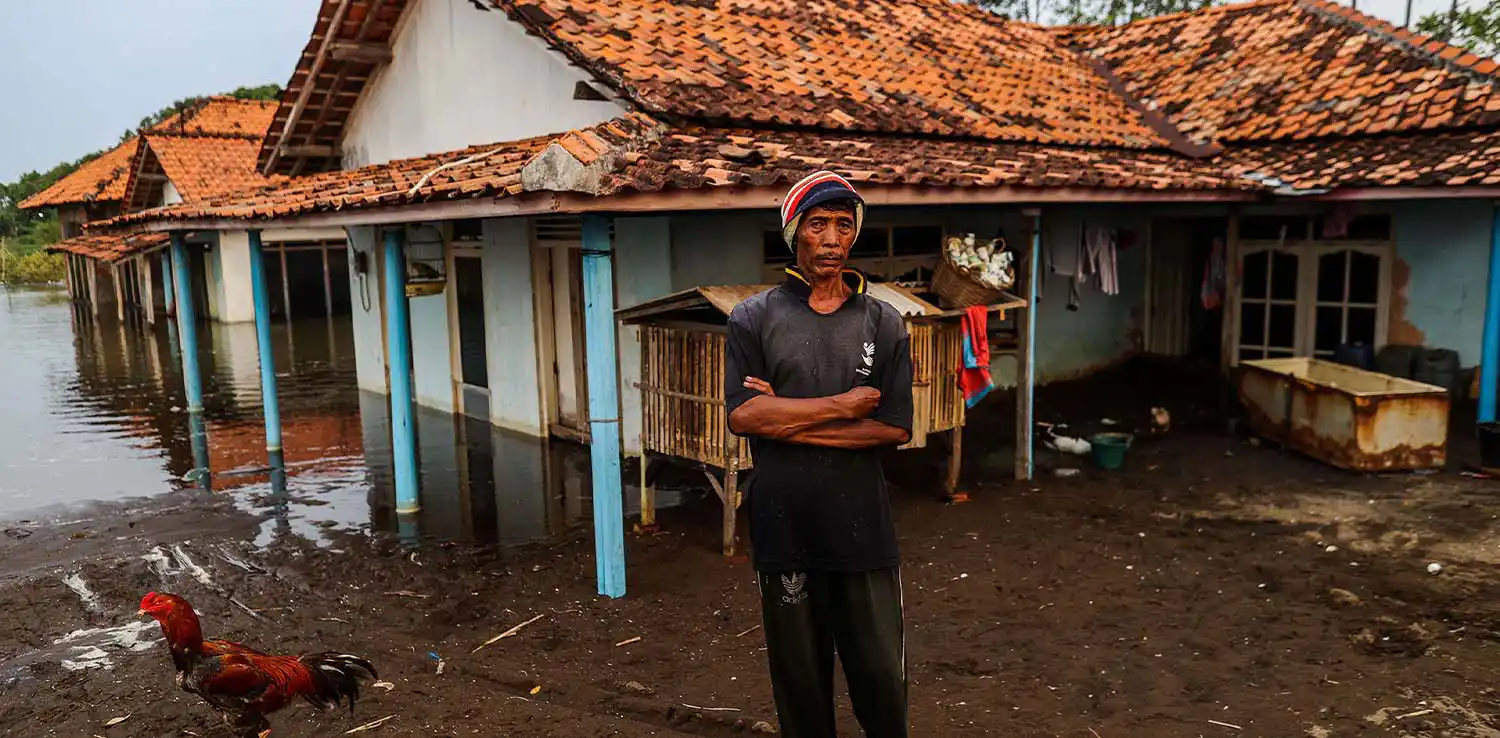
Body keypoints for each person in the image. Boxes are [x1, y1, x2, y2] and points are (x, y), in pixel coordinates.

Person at [723, 170, 914, 738]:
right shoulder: (753, 318)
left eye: (843, 225)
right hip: (785, 528)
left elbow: (894, 428)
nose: (831, 238)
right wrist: (844, 405)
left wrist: (785, 418)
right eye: (817, 224)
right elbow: (742, 416)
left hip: (862, 529)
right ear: (793, 234)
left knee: (882, 680)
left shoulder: (883, 322)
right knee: (801, 686)